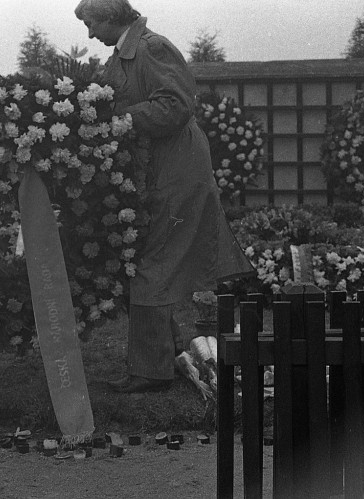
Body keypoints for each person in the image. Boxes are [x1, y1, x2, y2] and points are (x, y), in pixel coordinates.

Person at [75, 0, 255, 393]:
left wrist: (118, 120)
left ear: (110, 16)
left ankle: (151, 372)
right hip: (158, 172)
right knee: (149, 264)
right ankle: (168, 355)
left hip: (176, 174)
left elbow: (176, 105)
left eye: (90, 24)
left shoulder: (152, 47)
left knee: (151, 266)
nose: (89, 34)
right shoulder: (124, 53)